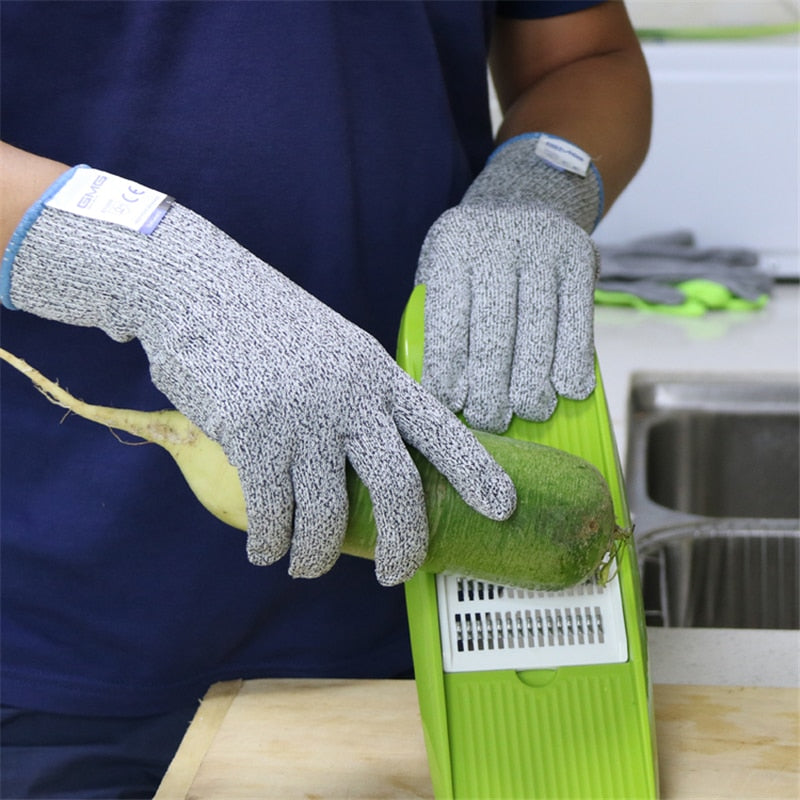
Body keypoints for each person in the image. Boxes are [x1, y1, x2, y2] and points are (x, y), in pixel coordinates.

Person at [0, 1, 651, 797]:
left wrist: (539, 182)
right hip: (46, 636)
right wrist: (133, 264)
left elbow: (584, 57)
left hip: (438, 594)